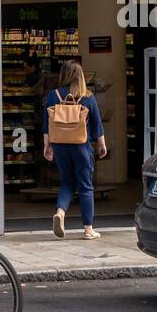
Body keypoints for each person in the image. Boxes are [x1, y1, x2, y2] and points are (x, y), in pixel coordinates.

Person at [43, 60, 106, 240]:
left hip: (60, 146)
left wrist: (47, 146)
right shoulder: (88, 96)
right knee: (85, 186)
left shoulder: (53, 96)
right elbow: (97, 125)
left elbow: (46, 125)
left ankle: (60, 213)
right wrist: (101, 145)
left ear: (63, 74)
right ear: (80, 76)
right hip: (81, 147)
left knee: (66, 183)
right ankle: (88, 229)